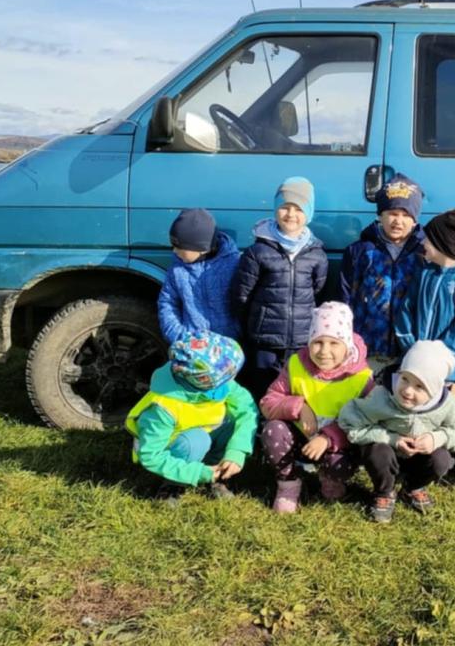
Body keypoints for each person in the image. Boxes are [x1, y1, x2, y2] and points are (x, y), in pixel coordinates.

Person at [337, 340, 455, 523]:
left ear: (435, 389)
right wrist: (391, 438)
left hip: (419, 456)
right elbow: (350, 422)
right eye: (405, 379)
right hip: (388, 454)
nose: (408, 391)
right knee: (378, 452)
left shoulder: (446, 404)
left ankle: (413, 488)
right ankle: (384, 492)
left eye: (420, 386)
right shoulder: (382, 396)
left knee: (441, 460)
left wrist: (436, 438)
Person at [258, 302, 375, 513]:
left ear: (347, 345)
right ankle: (288, 484)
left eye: (334, 343)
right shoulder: (296, 364)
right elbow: (268, 402)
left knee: (341, 462)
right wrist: (298, 406)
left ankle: (331, 479)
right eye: (318, 342)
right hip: (300, 439)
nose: (324, 351)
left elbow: (365, 419)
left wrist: (328, 438)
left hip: (339, 445)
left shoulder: (361, 377)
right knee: (273, 430)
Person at [125, 332, 257, 501]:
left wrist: (237, 451)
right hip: (172, 449)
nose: (232, 380)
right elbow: (151, 455)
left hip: (198, 436)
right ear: (204, 380)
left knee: (230, 423)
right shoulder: (162, 406)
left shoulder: (216, 381)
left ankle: (218, 472)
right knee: (196, 440)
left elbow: (247, 409)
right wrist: (198, 472)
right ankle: (172, 485)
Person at [233, 177, 329, 394]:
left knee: (295, 390)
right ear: (276, 209)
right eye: (285, 207)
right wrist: (254, 325)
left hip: (300, 340)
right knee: (262, 390)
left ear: (309, 213)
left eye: (299, 209)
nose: (291, 214)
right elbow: (242, 295)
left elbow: (317, 291)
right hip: (264, 341)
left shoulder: (316, 254)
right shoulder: (257, 252)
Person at [340, 173, 426, 372]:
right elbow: (345, 298)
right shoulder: (360, 251)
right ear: (380, 215)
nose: (398, 221)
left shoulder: (424, 253)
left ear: (415, 220)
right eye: (392, 213)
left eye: (406, 215)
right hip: (367, 348)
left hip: (410, 349)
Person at [394, 208, 455, 386]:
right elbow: (407, 306)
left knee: (437, 399)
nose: (423, 242)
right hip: (414, 358)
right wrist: (407, 339)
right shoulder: (425, 271)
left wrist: (440, 352)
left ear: (443, 245)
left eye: (428, 239)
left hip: (443, 365)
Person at [156, 207, 242, 344]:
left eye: (180, 247)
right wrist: (179, 337)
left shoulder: (234, 265)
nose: (174, 251)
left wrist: (239, 334)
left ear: (202, 249)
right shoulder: (177, 270)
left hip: (229, 347)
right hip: (191, 346)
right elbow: (168, 303)